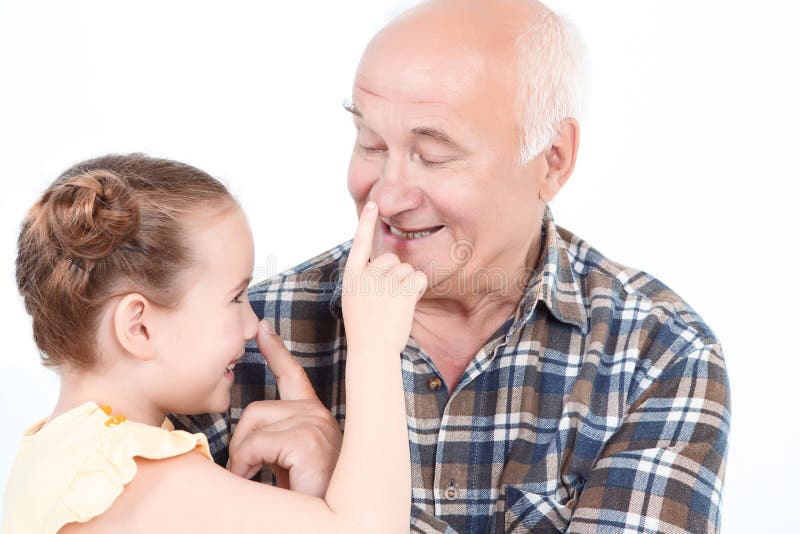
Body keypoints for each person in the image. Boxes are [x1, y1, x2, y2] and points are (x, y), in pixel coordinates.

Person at [175, 0, 731, 532]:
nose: (386, 196)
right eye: (370, 143)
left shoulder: (657, 354)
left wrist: (343, 493)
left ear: (552, 160)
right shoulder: (239, 334)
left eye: (434, 154)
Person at [1, 153, 426, 533]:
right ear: (139, 328)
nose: (252, 323)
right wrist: (374, 349)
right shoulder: (138, 474)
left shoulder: (57, 457)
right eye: (236, 298)